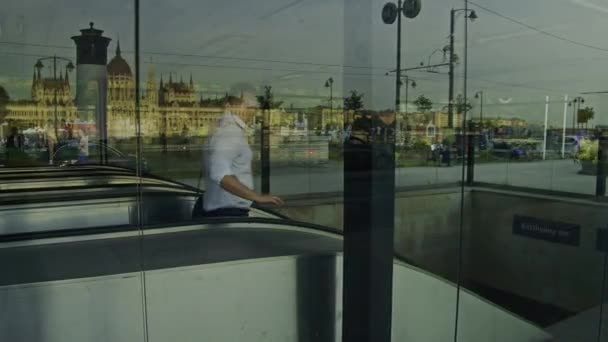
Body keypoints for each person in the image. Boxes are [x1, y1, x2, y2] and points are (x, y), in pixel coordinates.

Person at [199, 93, 283, 218]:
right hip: (226, 213)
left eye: (254, 107)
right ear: (230, 107)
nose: (252, 111)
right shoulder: (230, 132)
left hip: (223, 209)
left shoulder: (225, 128)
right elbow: (221, 175)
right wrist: (257, 197)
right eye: (247, 106)